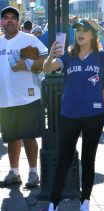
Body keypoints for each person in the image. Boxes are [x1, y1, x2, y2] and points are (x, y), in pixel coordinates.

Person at [42, 18, 104, 211]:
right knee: (64, 160)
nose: (80, 32)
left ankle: (85, 203)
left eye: (85, 29)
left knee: (88, 160)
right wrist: (51, 55)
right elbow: (47, 69)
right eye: (77, 29)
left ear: (92, 34)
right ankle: (53, 207)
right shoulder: (68, 55)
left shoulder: (101, 56)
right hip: (69, 114)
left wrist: (100, 27)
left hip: (93, 116)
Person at [0, 6, 48, 187]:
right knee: (11, 137)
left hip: (28, 97)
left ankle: (33, 173)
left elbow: (46, 59)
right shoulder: (0, 43)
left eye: (13, 17)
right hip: (5, 100)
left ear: (18, 22)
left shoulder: (29, 39)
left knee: (29, 136)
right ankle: (14, 173)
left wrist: (26, 64)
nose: (10, 20)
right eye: (6, 18)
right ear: (1, 22)